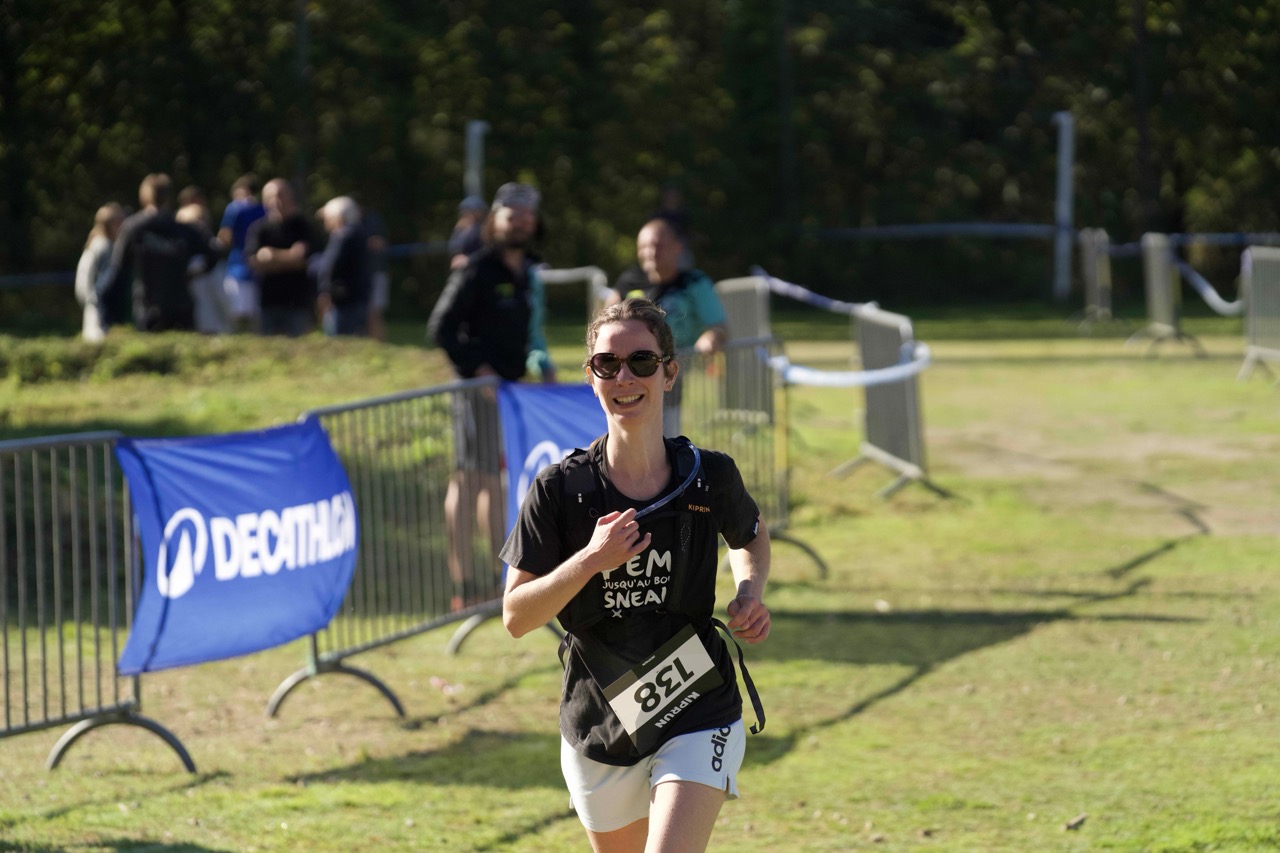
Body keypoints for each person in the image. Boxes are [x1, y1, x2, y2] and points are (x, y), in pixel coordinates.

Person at [501, 297, 771, 852]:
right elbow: (516, 616)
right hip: (600, 719)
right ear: (591, 377)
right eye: (608, 364)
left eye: (642, 361)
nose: (625, 377)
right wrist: (589, 561)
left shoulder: (707, 475)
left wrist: (749, 591)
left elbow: (750, 537)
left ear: (669, 373)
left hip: (699, 700)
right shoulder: (560, 490)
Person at [428, 181, 556, 612]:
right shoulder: (477, 268)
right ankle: (464, 585)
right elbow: (441, 327)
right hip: (474, 393)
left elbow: (530, 333)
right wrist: (478, 371)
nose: (520, 223)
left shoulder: (527, 271)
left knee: (496, 483)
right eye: (511, 215)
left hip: (511, 395)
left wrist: (540, 367)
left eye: (527, 216)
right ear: (494, 220)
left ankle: (494, 580)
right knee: (469, 481)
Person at [609, 217, 728, 435]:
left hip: (670, 376)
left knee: (665, 433)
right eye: (644, 247)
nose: (651, 252)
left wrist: (711, 337)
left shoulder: (693, 282)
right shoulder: (627, 282)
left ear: (677, 248)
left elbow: (718, 325)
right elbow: (604, 322)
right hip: (628, 374)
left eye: (658, 246)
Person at [100, 173, 216, 332]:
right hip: (181, 308)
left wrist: (109, 315)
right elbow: (213, 254)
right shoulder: (183, 230)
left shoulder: (133, 228)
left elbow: (117, 269)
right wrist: (194, 273)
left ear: (144, 197)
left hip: (148, 310)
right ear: (168, 197)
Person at [245, 178, 316, 337]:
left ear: (290, 196)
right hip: (268, 301)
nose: (276, 201)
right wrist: (290, 256)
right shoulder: (258, 229)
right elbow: (254, 261)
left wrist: (271, 256)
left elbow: (304, 259)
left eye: (280, 195)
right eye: (270, 197)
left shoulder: (303, 226)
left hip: (297, 302)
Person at [311, 195, 372, 336]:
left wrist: (324, 291)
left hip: (343, 300)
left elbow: (330, 266)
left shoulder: (342, 235)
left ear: (338, 217)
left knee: (341, 339)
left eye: (328, 218)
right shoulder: (359, 233)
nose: (326, 222)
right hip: (357, 297)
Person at [176, 186, 232, 335]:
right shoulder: (182, 256)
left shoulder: (212, 254)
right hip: (194, 325)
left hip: (211, 327)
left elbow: (222, 294)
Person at [217, 173, 267, 332]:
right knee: (256, 319)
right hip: (260, 267)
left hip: (237, 266)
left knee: (235, 317)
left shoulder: (235, 208)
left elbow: (225, 236)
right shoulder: (265, 209)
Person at [74, 202, 125, 342]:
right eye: (119, 222)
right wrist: (93, 303)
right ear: (109, 224)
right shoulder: (101, 246)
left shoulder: (106, 245)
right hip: (96, 307)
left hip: (100, 305)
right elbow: (86, 279)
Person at [447, 195, 487, 269]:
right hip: (462, 269)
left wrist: (470, 259)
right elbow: (453, 248)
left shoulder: (483, 229)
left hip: (479, 268)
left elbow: (488, 251)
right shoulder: (460, 228)